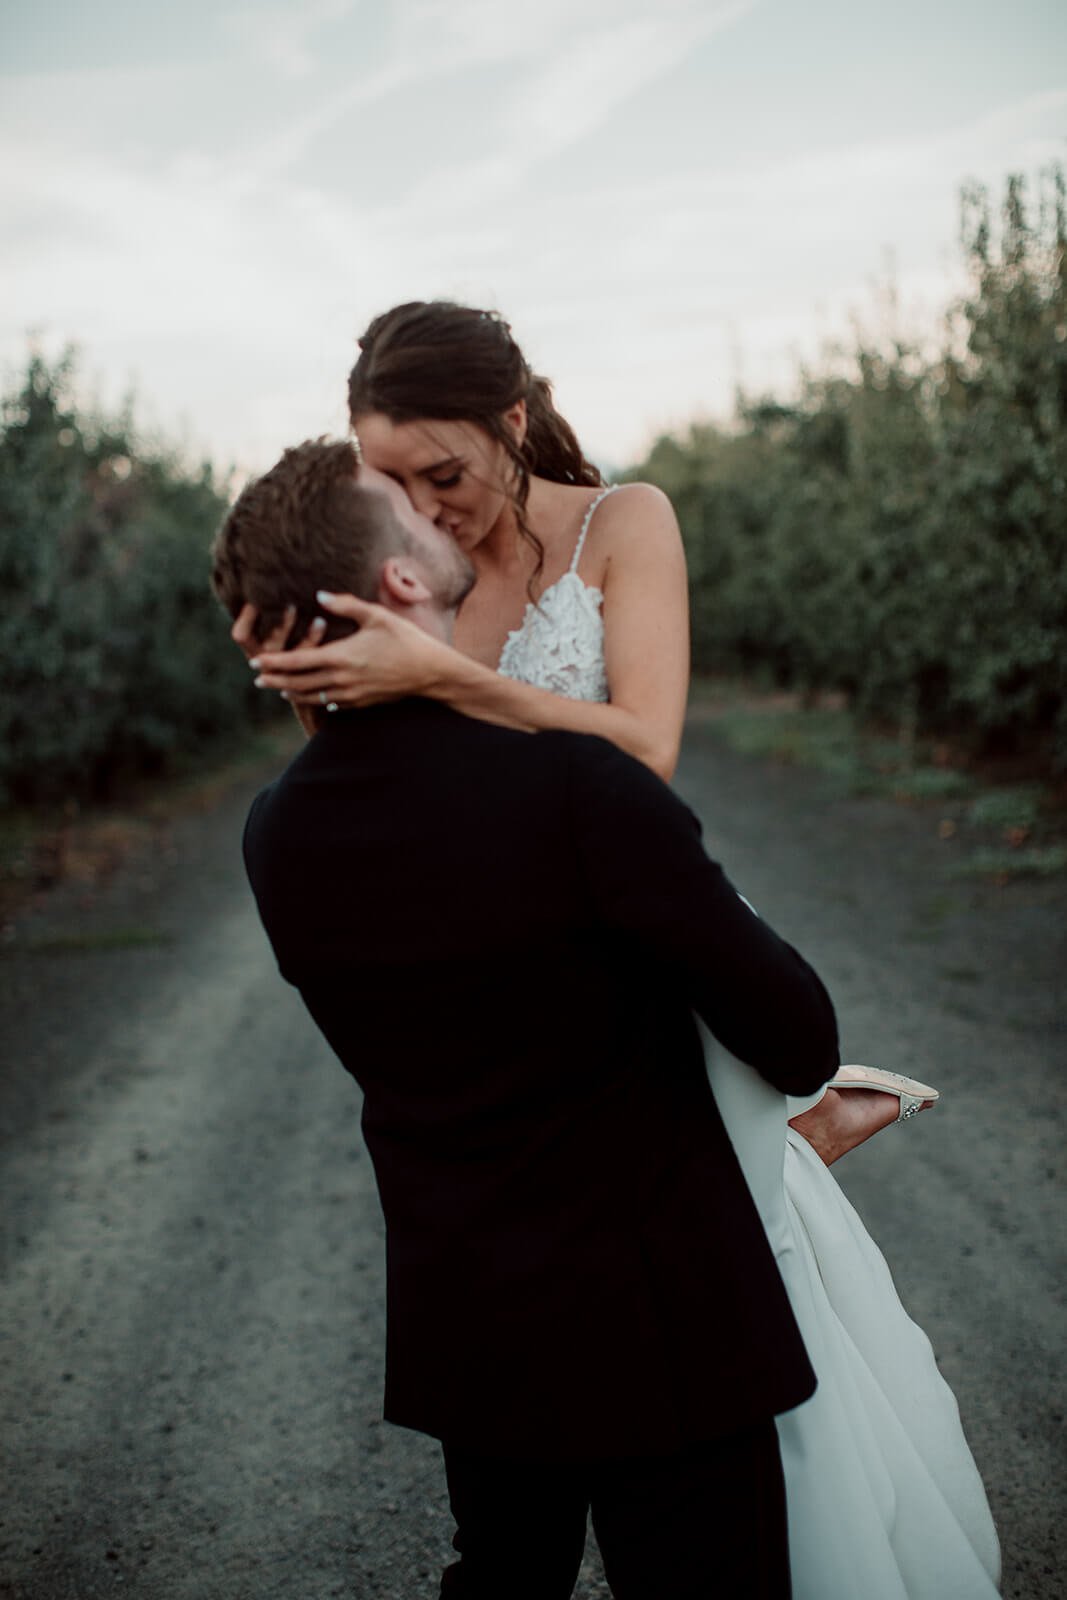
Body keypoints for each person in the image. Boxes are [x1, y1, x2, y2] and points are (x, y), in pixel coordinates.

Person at [237, 303, 1001, 1598]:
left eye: (442, 476)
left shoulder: (615, 525)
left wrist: (436, 682)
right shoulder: (416, 587)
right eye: (392, 485)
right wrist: (326, 676)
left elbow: (635, 748)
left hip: (637, 919)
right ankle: (776, 1151)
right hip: (561, 976)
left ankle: (768, 1154)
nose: (426, 507)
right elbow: (410, 856)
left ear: (513, 424)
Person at [214, 436, 842, 1599]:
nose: (435, 517)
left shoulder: (275, 834)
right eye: (402, 511)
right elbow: (799, 1034)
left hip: (474, 1323)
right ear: (398, 583)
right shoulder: (574, 784)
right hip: (664, 1324)